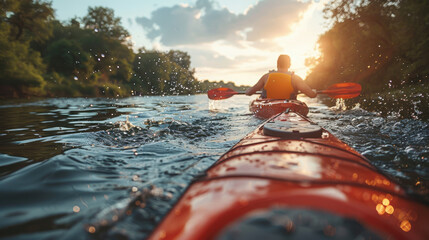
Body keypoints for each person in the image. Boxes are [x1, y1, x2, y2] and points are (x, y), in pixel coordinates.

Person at [246, 55, 317, 99]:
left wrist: (247, 91)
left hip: (268, 106)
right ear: (289, 65)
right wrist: (314, 92)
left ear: (277, 64)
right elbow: (311, 95)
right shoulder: (295, 78)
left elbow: (250, 92)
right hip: (288, 107)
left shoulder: (266, 76)